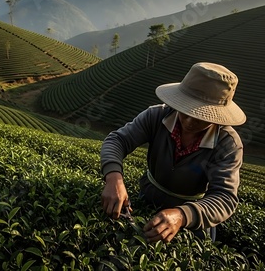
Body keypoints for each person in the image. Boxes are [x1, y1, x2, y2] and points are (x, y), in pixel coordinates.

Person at [100, 62, 246, 243]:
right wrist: (114, 177)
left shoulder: (227, 143)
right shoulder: (156, 116)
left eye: (201, 117)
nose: (189, 121)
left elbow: (224, 198)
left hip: (193, 224)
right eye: (186, 110)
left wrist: (182, 215)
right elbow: (117, 140)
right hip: (147, 200)